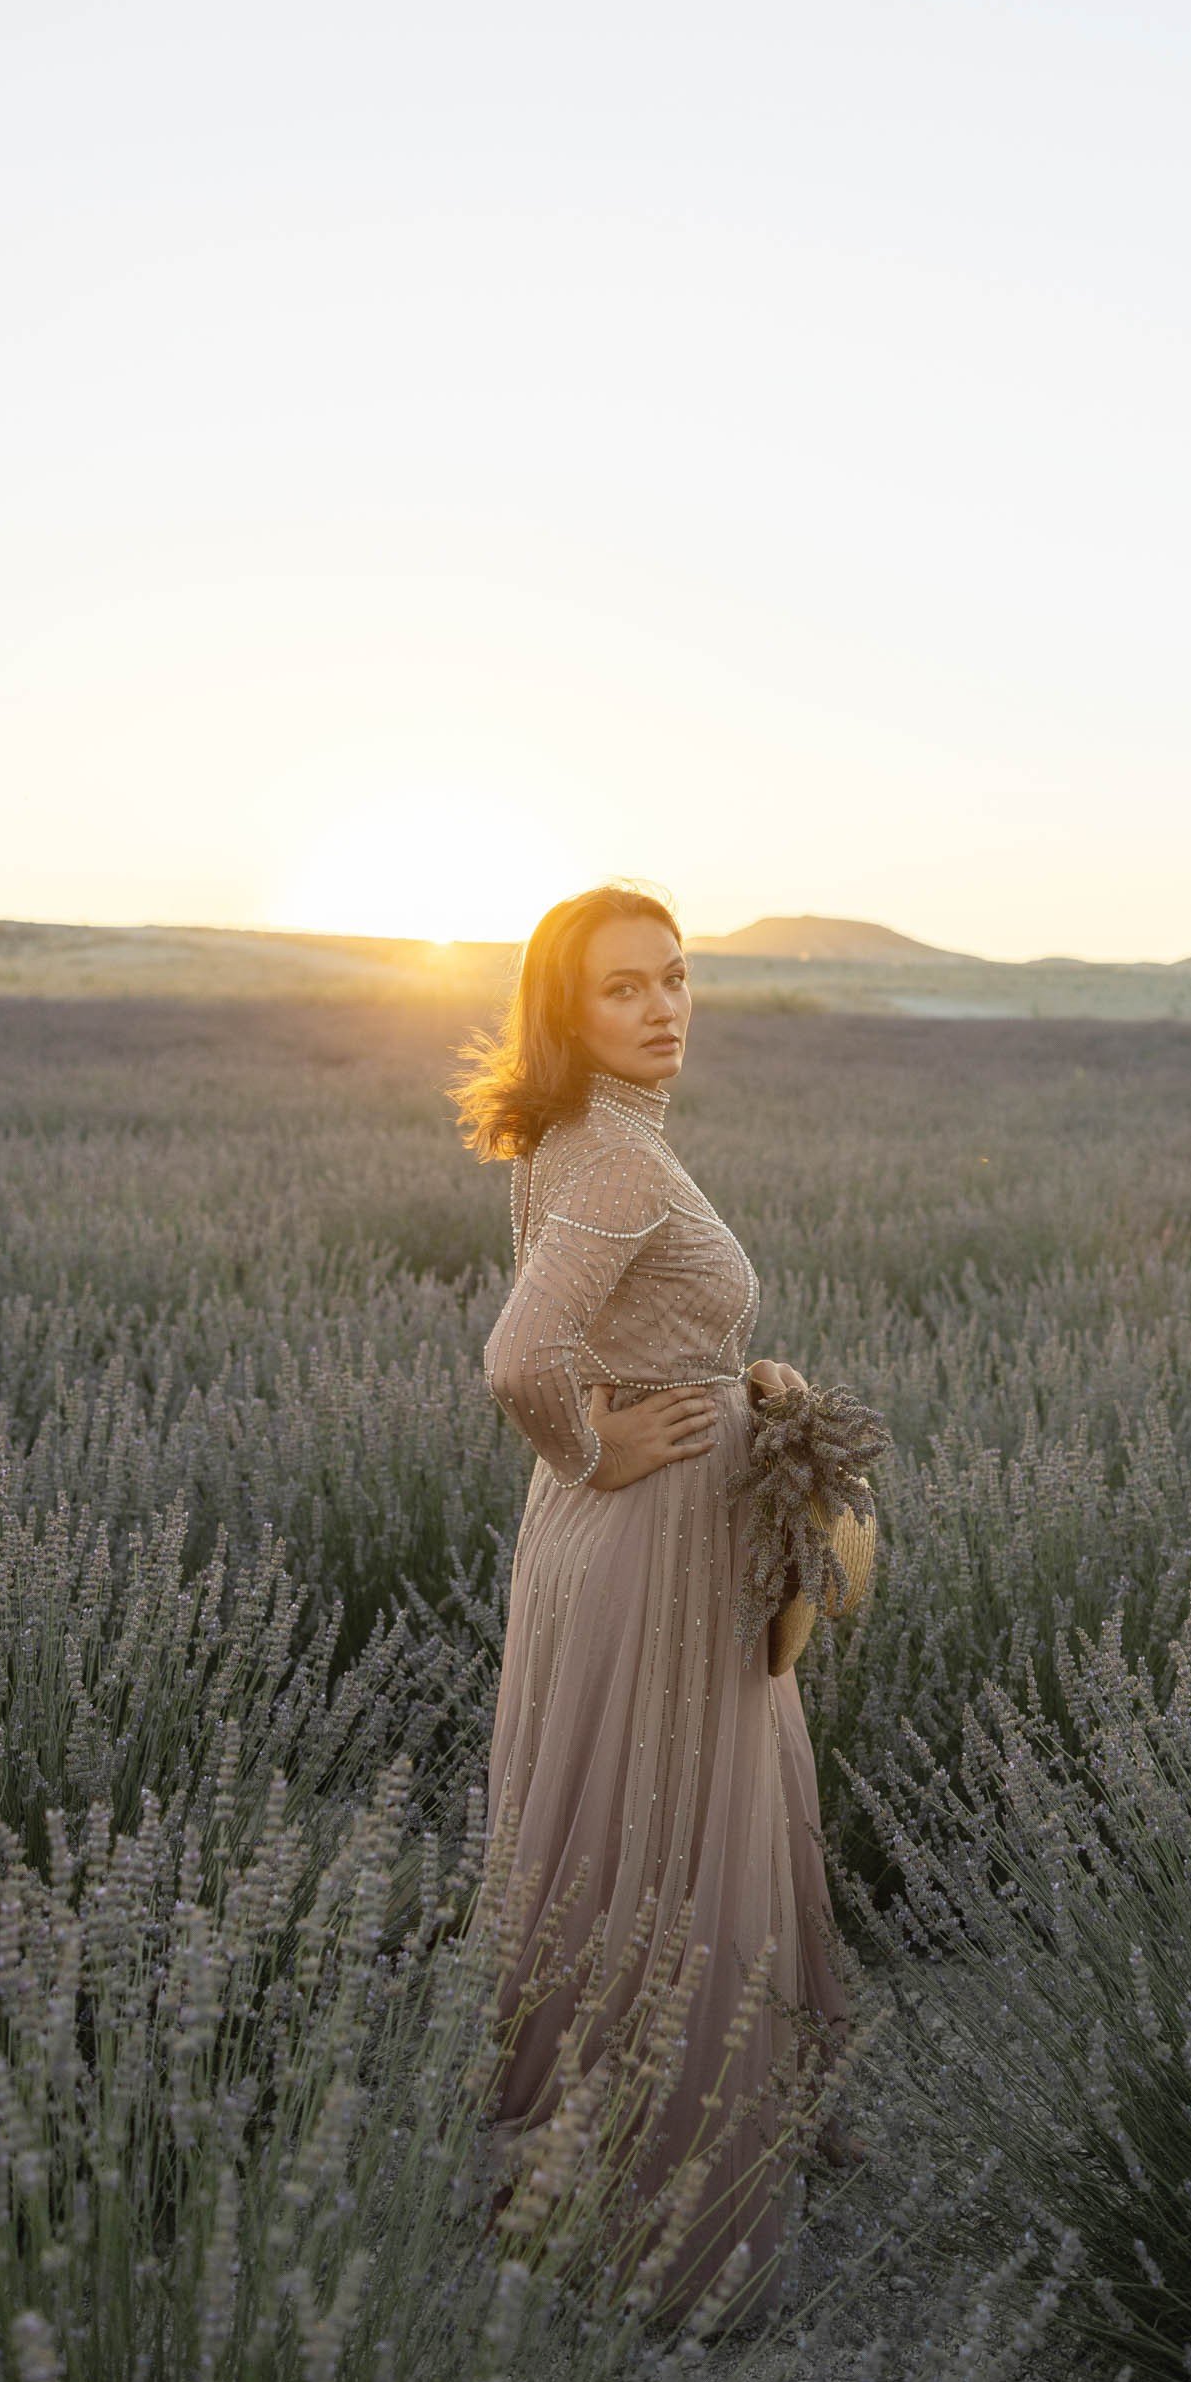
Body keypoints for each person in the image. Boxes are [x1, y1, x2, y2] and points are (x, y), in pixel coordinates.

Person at [453, 882, 849, 2303]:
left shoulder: (582, 1139)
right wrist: (593, 1439)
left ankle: (579, 2160)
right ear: (566, 1009)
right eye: (624, 987)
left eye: (676, 978)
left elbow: (607, 1327)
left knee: (617, 1824)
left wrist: (730, 1389)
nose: (664, 1006)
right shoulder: (615, 1162)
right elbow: (519, 1357)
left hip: (612, 1527)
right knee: (667, 1830)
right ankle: (662, 2213)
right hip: (651, 1531)